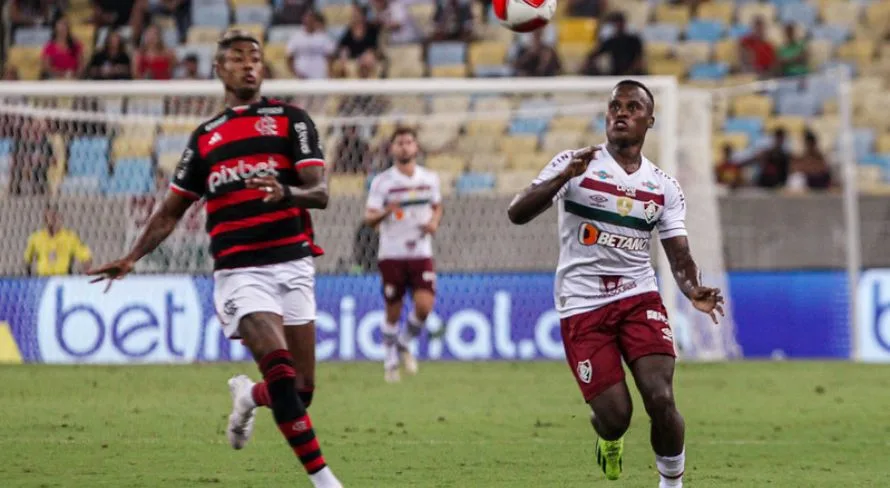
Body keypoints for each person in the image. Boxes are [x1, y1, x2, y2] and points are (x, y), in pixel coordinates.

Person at [87, 30, 342, 488]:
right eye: (237, 58)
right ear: (219, 69)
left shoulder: (292, 120)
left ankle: (248, 396)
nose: (248, 65)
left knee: (300, 392)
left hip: (293, 262)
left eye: (255, 58)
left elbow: (320, 192)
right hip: (240, 270)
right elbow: (171, 211)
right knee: (280, 369)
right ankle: (326, 482)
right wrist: (131, 257)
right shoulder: (205, 139)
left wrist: (286, 191)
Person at [507, 80, 724, 487]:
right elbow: (516, 212)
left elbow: (679, 255)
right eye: (615, 106)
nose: (621, 113)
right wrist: (562, 177)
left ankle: (671, 484)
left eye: (632, 107)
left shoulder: (663, 187)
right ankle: (609, 440)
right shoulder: (575, 163)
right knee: (615, 417)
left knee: (660, 397)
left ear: (649, 121)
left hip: (638, 297)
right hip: (582, 305)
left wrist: (692, 287)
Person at [364, 127, 443, 383]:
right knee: (393, 311)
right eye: (400, 143)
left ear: (416, 147)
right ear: (392, 149)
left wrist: (433, 223)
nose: (405, 147)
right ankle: (390, 362)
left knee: (424, 306)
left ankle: (404, 342)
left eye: (409, 142)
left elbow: (437, 206)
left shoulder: (429, 178)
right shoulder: (382, 182)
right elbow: (369, 218)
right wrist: (387, 211)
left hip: (420, 251)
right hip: (392, 253)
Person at [25, 205, 93, 276]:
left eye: (54, 217)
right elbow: (27, 260)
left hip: (63, 277)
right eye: (48, 217)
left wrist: (83, 272)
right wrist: (28, 277)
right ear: (45, 220)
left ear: (60, 218)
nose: (52, 220)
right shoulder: (36, 237)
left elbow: (86, 257)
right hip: (43, 277)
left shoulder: (69, 237)